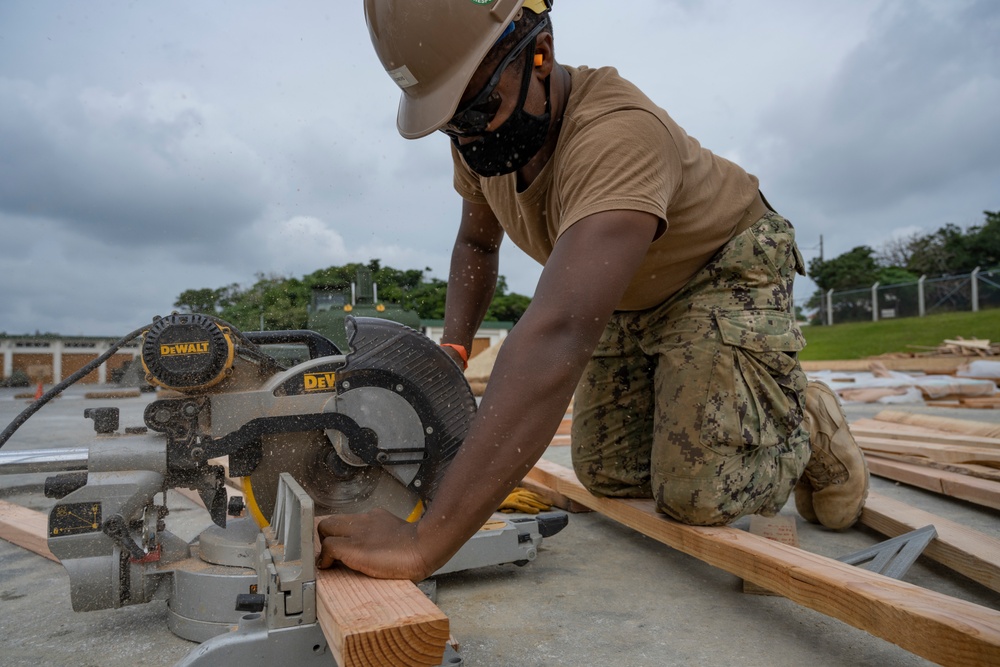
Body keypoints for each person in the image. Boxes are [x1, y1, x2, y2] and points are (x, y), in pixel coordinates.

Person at [317, 0, 868, 580]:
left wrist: (425, 542)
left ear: (540, 53)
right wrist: (451, 354)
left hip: (719, 270)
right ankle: (705, 392)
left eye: (477, 109)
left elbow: (558, 335)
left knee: (697, 496)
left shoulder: (618, 134)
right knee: (609, 474)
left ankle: (803, 419)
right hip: (630, 292)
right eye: (450, 121)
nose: (467, 138)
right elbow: (477, 245)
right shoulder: (480, 134)